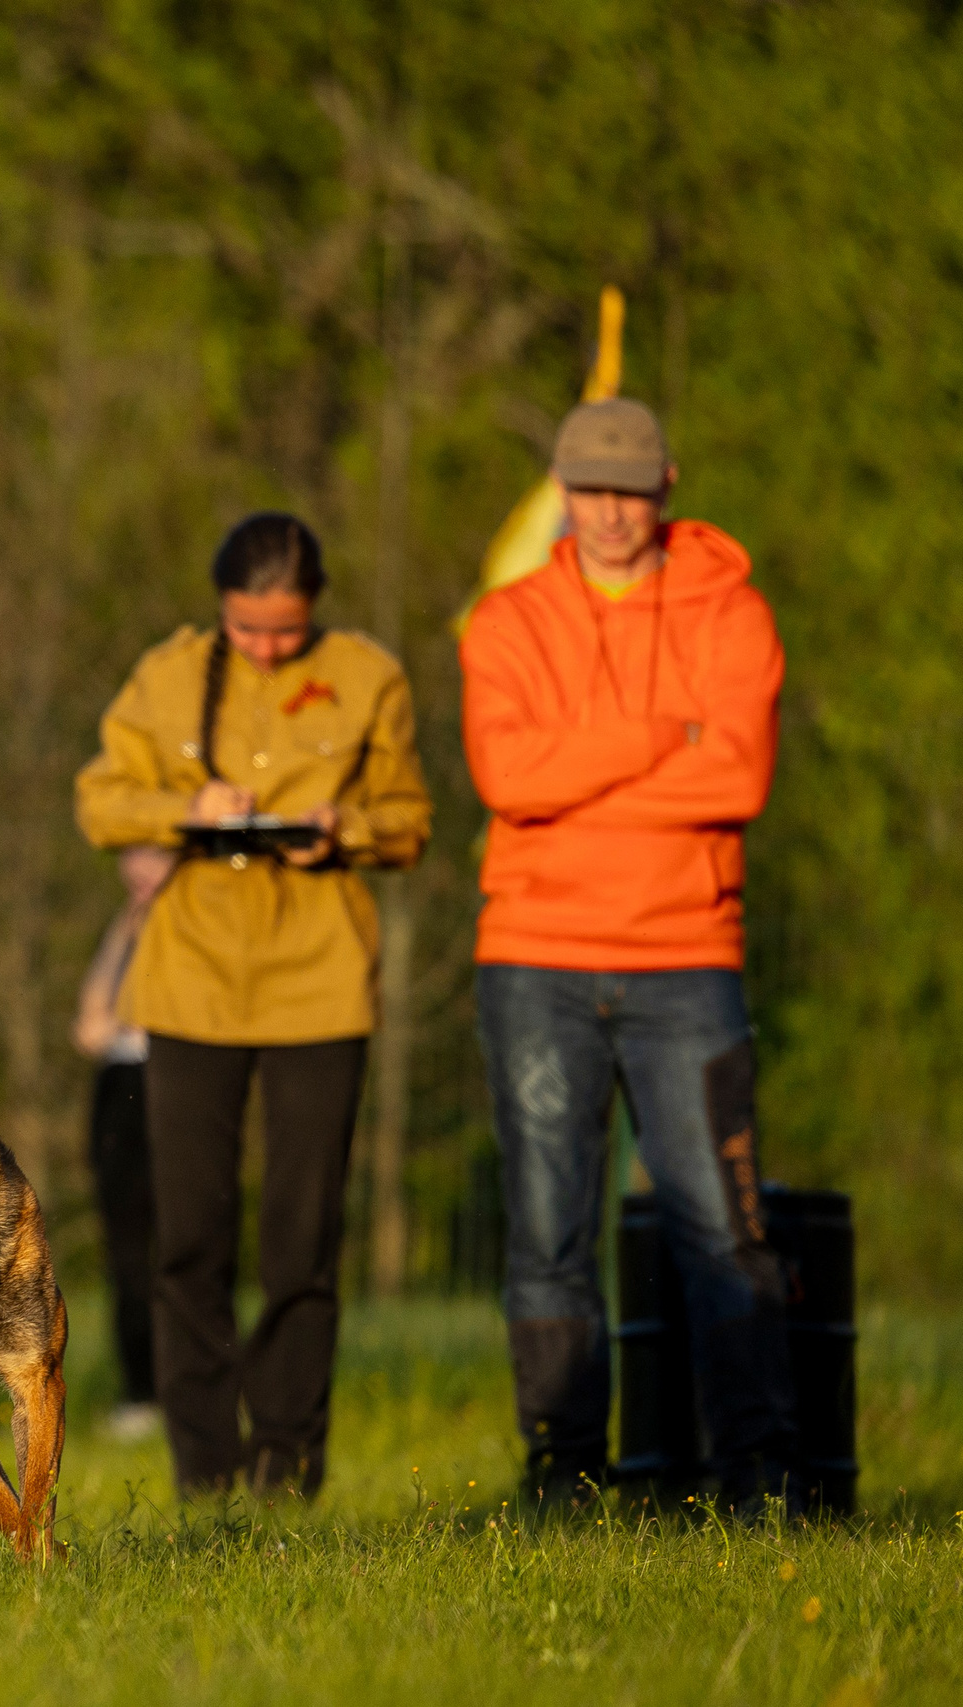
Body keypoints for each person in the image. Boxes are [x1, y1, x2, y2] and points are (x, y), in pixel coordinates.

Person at [461, 398, 798, 1513]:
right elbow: (508, 780)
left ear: (667, 484)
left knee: (719, 1224)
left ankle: (756, 1472)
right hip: (533, 961)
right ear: (563, 490)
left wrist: (580, 770)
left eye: (629, 487)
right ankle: (563, 1472)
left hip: (686, 959)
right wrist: (664, 736)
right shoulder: (506, 621)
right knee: (549, 1227)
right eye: (589, 488)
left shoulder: (730, 613)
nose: (609, 512)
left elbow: (736, 781)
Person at [74, 513, 431, 1498]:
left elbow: (410, 821)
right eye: (247, 628)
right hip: (189, 984)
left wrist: (343, 828)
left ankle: (288, 1462)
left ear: (313, 608)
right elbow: (102, 800)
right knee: (187, 1233)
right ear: (221, 608)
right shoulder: (168, 677)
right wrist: (185, 812)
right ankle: (206, 1471)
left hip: (320, 983)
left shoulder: (370, 679)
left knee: (302, 1236)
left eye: (284, 630)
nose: (266, 647)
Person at [71, 843, 176, 1442]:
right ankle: (141, 1392)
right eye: (130, 855)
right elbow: (89, 1023)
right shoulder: (129, 922)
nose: (135, 868)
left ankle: (195, 1389)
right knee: (128, 1250)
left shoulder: (198, 918)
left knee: (187, 1246)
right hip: (118, 1089)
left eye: (152, 854)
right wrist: (130, 921)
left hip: (171, 1081)